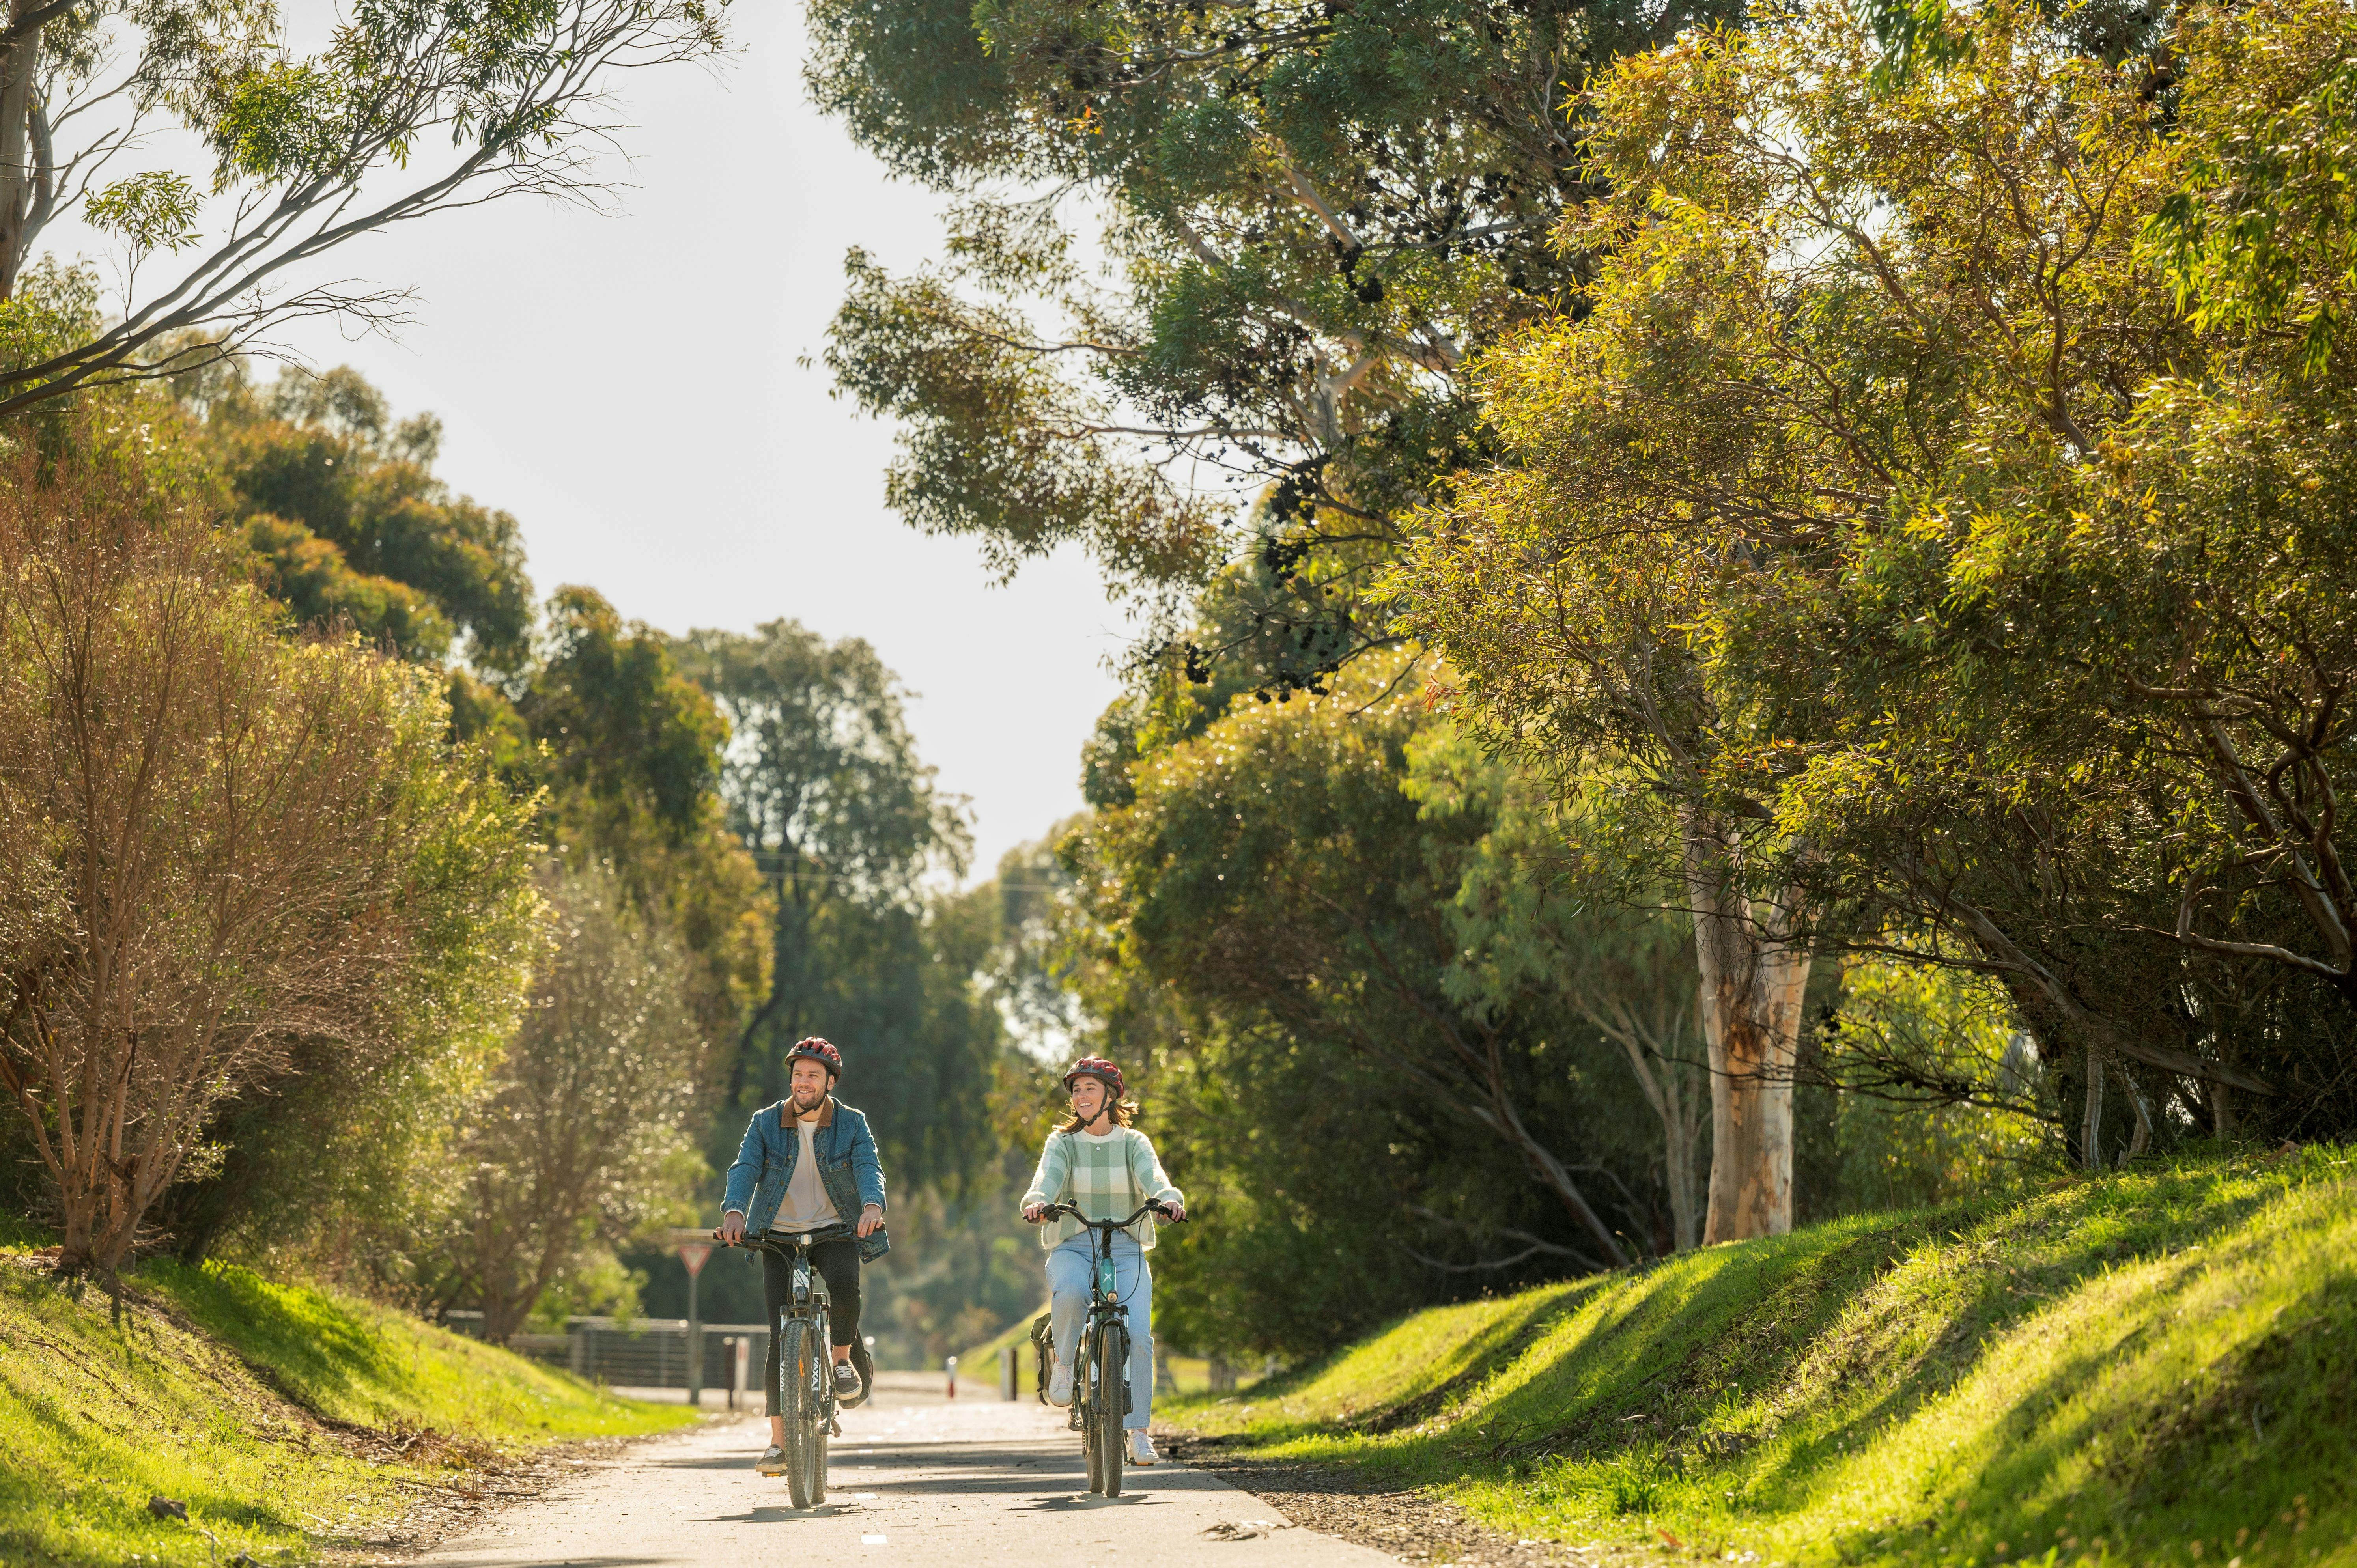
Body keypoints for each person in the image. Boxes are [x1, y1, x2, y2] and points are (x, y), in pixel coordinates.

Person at [720, 1036, 887, 1478]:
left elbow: (868, 1167)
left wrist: (872, 1207)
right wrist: (734, 1212)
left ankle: (842, 1362)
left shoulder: (851, 1123)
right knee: (780, 1337)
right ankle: (779, 1443)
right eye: (798, 1074)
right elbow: (745, 1168)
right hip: (778, 1233)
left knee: (845, 1284)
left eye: (813, 1075)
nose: (803, 1082)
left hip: (834, 1229)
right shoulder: (765, 1122)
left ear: (830, 1082)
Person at [1020, 1056, 1185, 1469]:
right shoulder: (1063, 1143)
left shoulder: (1133, 1142)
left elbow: (1154, 1177)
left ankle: (1140, 1433)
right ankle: (1064, 1364)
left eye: (1090, 1088)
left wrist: (1168, 1200)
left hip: (1125, 1246)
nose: (1081, 1095)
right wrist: (1038, 1202)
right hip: (1074, 1245)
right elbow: (1046, 1179)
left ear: (1111, 1096)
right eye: (1076, 1090)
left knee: (1141, 1337)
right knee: (1071, 1291)